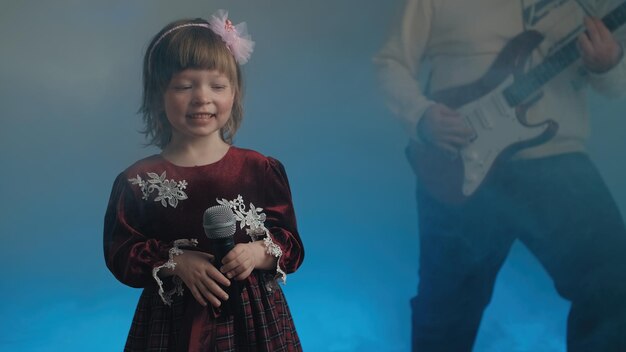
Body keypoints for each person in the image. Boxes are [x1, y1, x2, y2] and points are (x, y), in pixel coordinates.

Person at [374, 0, 626, 351]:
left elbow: (615, 87)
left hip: (556, 162)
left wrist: (609, 64)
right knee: (446, 312)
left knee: (615, 283)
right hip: (456, 163)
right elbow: (391, 62)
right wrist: (422, 117)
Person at [103, 10, 304, 351]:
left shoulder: (259, 169)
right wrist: (175, 261)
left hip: (252, 319)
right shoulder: (138, 181)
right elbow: (121, 253)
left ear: (235, 93)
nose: (202, 97)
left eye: (217, 85)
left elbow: (291, 246)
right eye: (184, 86)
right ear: (158, 94)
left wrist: (257, 253)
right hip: (172, 323)